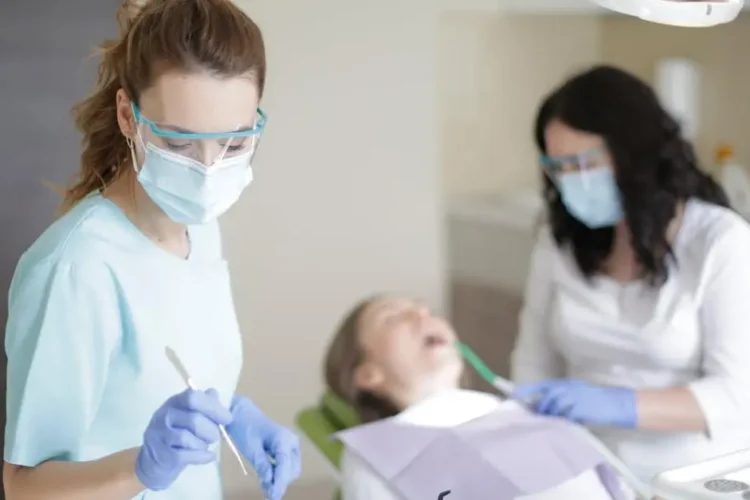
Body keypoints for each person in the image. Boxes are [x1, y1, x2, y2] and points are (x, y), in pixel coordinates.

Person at [3, 1, 300, 499]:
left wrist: (235, 411)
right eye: (180, 145)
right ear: (127, 115)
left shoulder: (200, 229)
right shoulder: (77, 270)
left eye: (233, 143)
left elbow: (159, 379)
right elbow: (22, 488)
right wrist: (140, 470)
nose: (208, 171)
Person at [511, 64, 750, 483]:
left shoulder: (721, 242)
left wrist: (621, 404)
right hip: (582, 470)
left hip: (691, 477)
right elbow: (532, 365)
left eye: (586, 164)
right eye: (560, 167)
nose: (573, 182)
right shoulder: (558, 240)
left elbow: (737, 395)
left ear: (636, 155)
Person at [324, 295, 639, 500]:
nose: (423, 316)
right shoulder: (374, 456)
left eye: (427, 310)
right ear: (367, 374)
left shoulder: (525, 413)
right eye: (393, 317)